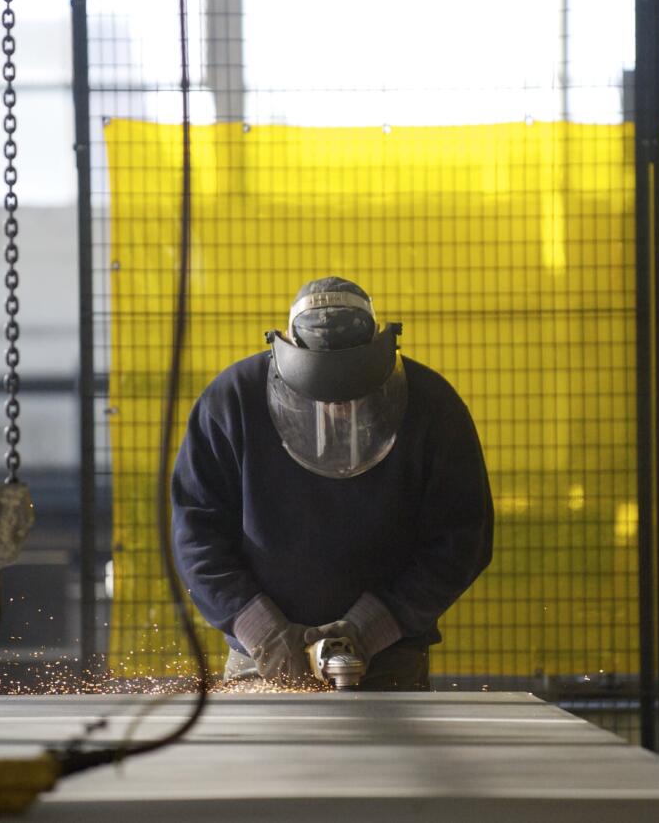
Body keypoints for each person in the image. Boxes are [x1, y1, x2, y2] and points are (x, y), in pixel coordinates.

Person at [171, 277, 493, 690]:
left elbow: (463, 539)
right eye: (320, 395)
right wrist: (262, 631)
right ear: (286, 351)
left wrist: (371, 627)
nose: (339, 406)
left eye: (354, 394)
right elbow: (195, 535)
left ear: (380, 350)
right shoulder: (231, 401)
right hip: (263, 658)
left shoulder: (431, 404)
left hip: (389, 657)